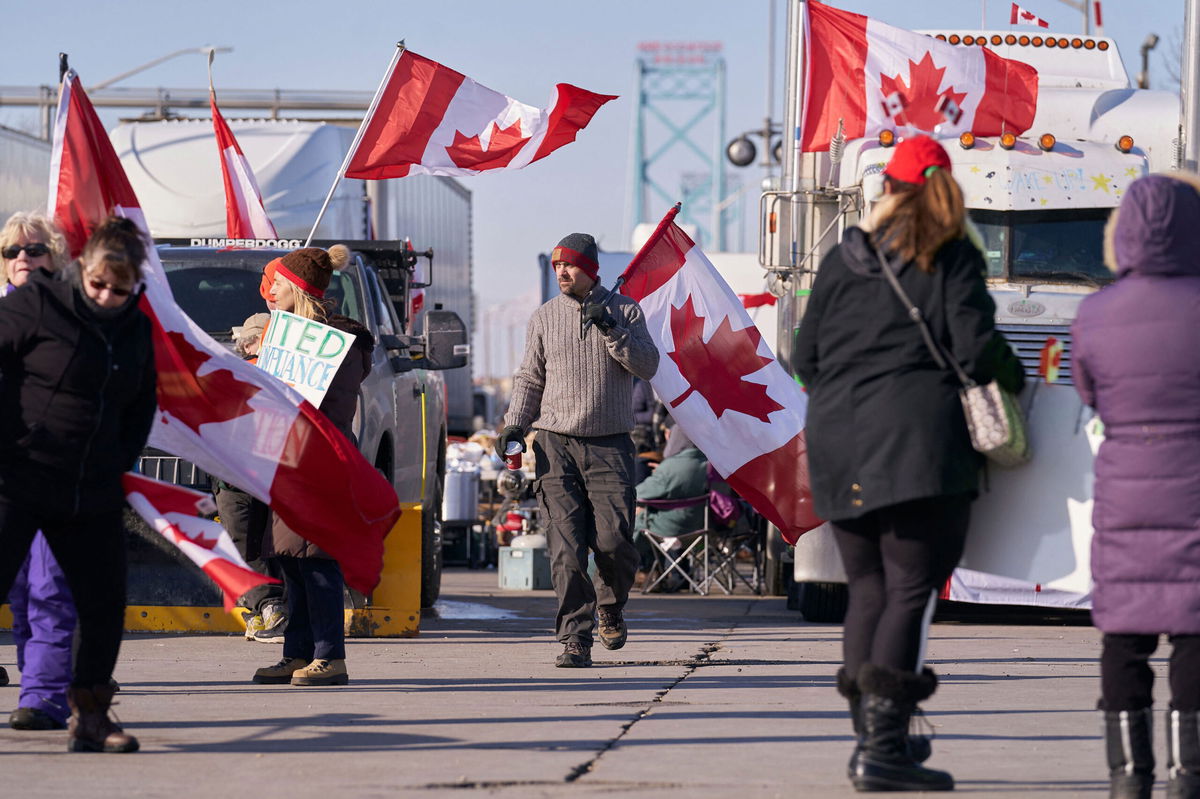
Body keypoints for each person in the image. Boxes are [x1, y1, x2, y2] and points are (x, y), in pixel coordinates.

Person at [795, 135, 1024, 793]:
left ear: (886, 189)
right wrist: (1019, 379)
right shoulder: (950, 253)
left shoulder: (844, 259)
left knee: (865, 587)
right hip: (917, 440)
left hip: (837, 438)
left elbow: (804, 357)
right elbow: (977, 350)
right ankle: (883, 749)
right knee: (908, 588)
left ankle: (875, 739)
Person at [0, 216, 158, 753]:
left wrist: (116, 460)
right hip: (18, 476)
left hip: (87, 488)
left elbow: (141, 404)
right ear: (81, 270)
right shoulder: (37, 303)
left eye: (120, 289)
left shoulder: (135, 327)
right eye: (98, 285)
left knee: (103, 603)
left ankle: (89, 715)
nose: (108, 297)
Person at [1072, 173, 1200, 799]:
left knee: (1123, 638)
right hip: (1195, 488)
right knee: (1195, 634)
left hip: (1126, 490)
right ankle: (1191, 774)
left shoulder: (1094, 313)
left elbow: (1089, 392)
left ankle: (1129, 777)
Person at [497, 232, 658, 667]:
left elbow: (648, 365)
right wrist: (515, 424)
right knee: (565, 549)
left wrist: (611, 328)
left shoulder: (624, 310)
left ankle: (610, 606)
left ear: (591, 269)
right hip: (555, 444)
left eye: (569, 265)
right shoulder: (544, 318)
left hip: (611, 445)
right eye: (556, 267)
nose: (562, 273)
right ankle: (576, 638)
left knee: (614, 543)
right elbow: (530, 378)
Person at [250, 245, 373, 688]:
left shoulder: (338, 341)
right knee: (291, 560)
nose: (269, 292)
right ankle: (296, 652)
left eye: (278, 284)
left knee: (318, 559)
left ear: (298, 289)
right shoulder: (280, 335)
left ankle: (329, 656)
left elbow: (331, 407)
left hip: (320, 460)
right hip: (285, 459)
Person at [1, 212, 75, 729]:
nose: (23, 257)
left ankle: (42, 697)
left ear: (57, 258)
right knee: (19, 591)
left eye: (34, 248)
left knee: (49, 588)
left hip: (61, 477)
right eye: (12, 251)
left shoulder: (83, 319)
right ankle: (42, 685)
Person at [218, 311, 287, 642]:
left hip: (239, 474)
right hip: (257, 472)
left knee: (243, 542)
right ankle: (262, 610)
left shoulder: (243, 373)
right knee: (261, 543)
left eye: (246, 339)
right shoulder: (242, 372)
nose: (239, 344)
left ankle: (268, 607)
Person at [634, 421, 708, 593]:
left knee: (636, 520)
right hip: (701, 528)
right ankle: (658, 575)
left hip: (670, 528)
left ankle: (603, 570)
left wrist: (660, 475)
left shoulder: (671, 467)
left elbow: (638, 494)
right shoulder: (710, 463)